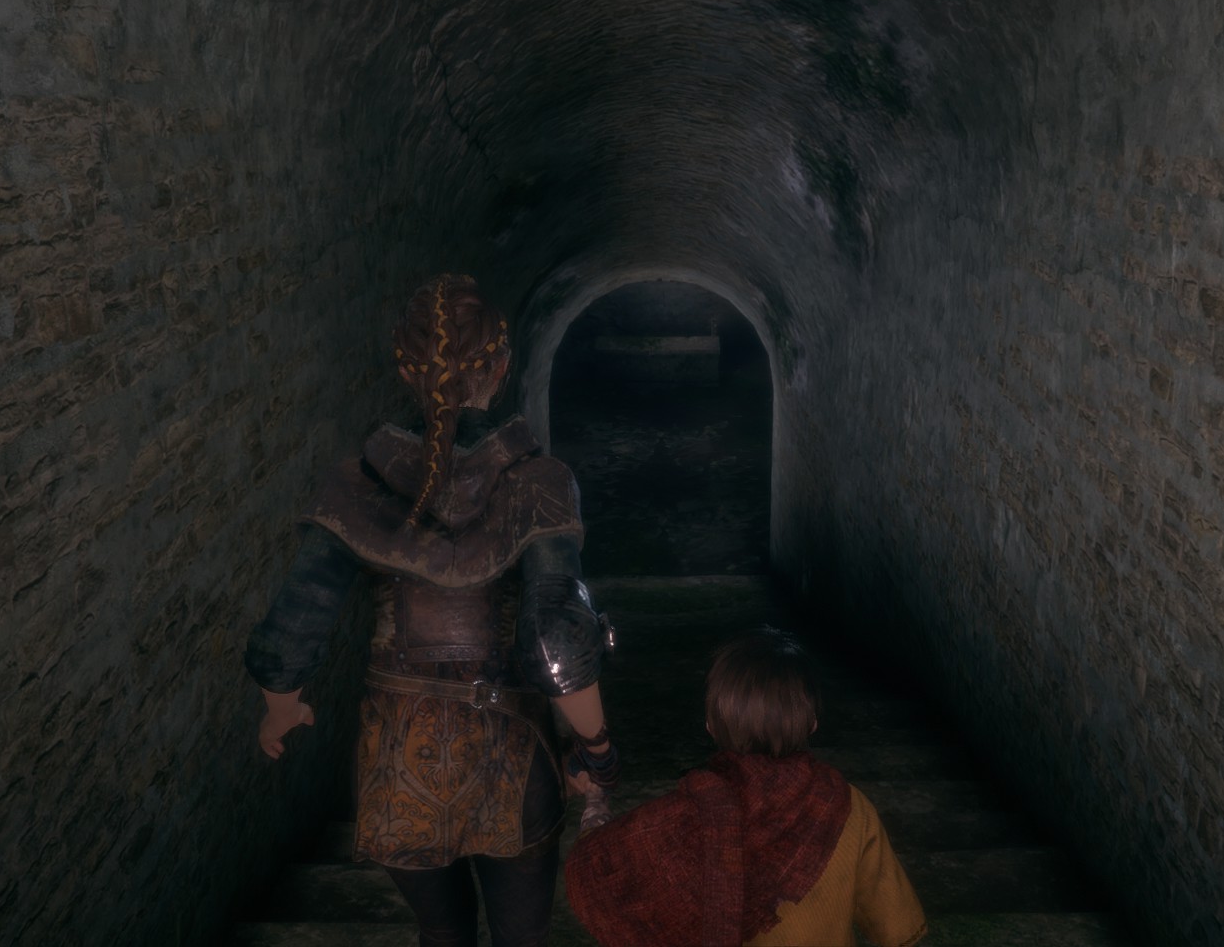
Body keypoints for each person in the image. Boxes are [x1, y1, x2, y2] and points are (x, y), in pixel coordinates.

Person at [245, 273, 620, 947]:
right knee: (522, 938)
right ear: (501, 367)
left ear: (405, 369)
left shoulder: (357, 484)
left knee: (442, 931)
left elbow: (294, 624)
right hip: (511, 757)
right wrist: (597, 750)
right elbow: (556, 643)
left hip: (397, 764)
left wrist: (280, 708)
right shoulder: (538, 482)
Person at [564, 626, 926, 947]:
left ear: (710, 725)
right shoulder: (846, 806)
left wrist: (596, 805)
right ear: (813, 723)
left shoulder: (688, 817)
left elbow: (598, 867)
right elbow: (895, 926)